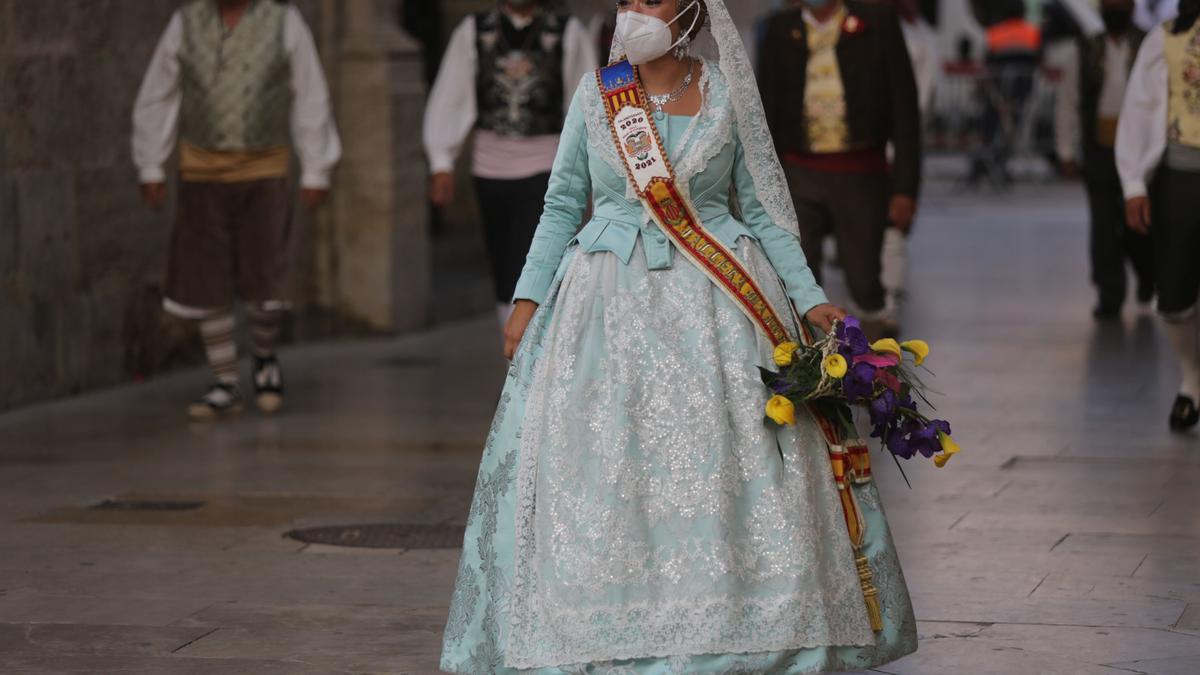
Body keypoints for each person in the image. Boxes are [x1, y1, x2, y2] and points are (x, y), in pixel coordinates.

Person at [440, 0, 917, 672]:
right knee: (609, 467)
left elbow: (762, 212)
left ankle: (736, 627)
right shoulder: (597, 95)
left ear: (691, 11)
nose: (636, 11)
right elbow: (560, 201)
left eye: (653, 0)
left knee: (724, 467)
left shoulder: (725, 95)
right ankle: (598, 626)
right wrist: (525, 297)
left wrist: (810, 301)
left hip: (719, 308)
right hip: (606, 309)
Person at [132, 0, 341, 420]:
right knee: (205, 275)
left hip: (265, 169)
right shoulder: (185, 23)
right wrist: (151, 163)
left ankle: (263, 358)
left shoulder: (284, 21)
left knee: (266, 275)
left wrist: (316, 168)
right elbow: (158, 93)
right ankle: (225, 380)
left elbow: (310, 92)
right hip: (201, 170)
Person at [423, 0, 597, 331]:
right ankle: (514, 355)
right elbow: (452, 95)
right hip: (489, 170)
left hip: (545, 170)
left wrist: (586, 170)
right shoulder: (474, 31)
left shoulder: (566, 32)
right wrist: (441, 161)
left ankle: (525, 356)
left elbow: (584, 103)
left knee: (529, 265)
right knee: (503, 269)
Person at [758, 0, 922, 338]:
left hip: (861, 173)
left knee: (863, 277)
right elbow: (765, 112)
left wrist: (905, 188)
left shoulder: (876, 22)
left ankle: (875, 362)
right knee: (798, 272)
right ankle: (808, 368)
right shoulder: (779, 29)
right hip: (797, 173)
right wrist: (763, 185)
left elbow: (905, 112)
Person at [1117, 0, 1200, 431]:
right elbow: (1139, 110)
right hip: (1180, 176)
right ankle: (1192, 378)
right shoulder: (1165, 38)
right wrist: (1134, 184)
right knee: (1175, 293)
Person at [1057, 0, 1155, 319]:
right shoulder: (1086, 49)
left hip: (1141, 148)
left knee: (1138, 222)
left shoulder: (1148, 44)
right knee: (1102, 224)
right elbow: (1068, 101)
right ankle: (1109, 292)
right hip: (1099, 147)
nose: (1115, 6)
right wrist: (1066, 151)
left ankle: (1147, 276)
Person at [970, 0, 1042, 187]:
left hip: (996, 91)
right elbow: (1038, 61)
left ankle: (982, 164)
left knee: (989, 128)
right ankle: (999, 164)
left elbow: (987, 63)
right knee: (1011, 130)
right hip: (1020, 92)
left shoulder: (995, 33)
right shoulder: (1032, 32)